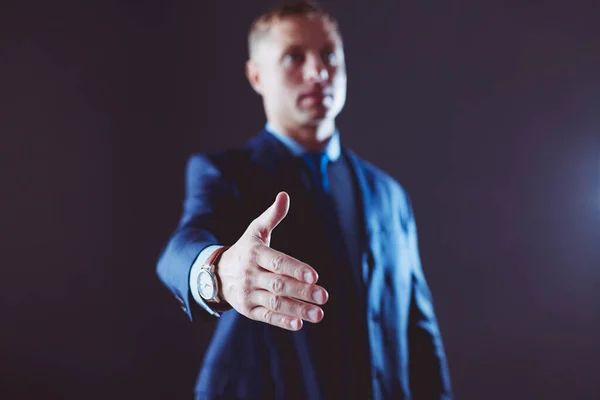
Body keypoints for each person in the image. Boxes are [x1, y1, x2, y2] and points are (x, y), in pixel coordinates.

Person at [156, 1, 453, 399]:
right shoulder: (224, 174)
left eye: (329, 55)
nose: (318, 72)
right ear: (257, 76)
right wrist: (216, 269)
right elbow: (179, 249)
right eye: (294, 57)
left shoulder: (390, 194)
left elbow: (419, 332)